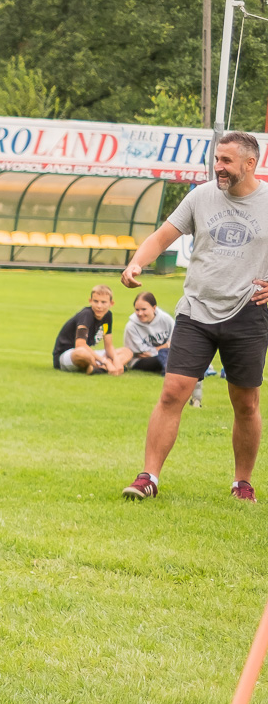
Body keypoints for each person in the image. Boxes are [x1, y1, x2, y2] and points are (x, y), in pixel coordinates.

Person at [120, 130, 268, 501]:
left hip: (248, 313)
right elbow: (161, 237)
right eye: (217, 159)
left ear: (251, 164)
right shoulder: (201, 196)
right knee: (173, 392)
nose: (218, 167)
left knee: (245, 402)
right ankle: (148, 477)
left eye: (226, 161)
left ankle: (242, 482)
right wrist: (137, 263)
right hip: (197, 310)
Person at [50, 285, 121, 373]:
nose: (99, 306)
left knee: (127, 352)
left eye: (103, 302)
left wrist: (117, 361)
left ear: (111, 303)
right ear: (90, 301)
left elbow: (109, 346)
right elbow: (80, 344)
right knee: (82, 353)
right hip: (68, 355)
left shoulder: (107, 316)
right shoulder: (86, 315)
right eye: (96, 301)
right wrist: (105, 361)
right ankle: (101, 367)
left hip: (87, 352)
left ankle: (98, 369)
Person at [117, 291, 175, 373]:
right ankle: (168, 368)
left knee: (178, 354)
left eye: (144, 309)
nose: (140, 313)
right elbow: (142, 353)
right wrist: (166, 346)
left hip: (165, 353)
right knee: (166, 357)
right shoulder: (131, 326)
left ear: (154, 308)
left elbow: (175, 341)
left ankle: (168, 367)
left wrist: (159, 349)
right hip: (140, 361)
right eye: (137, 310)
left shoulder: (166, 319)